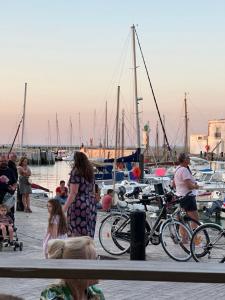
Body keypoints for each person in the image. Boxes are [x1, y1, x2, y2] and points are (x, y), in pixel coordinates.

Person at [40, 236, 105, 300]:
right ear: (77, 271)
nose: (98, 264)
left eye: (97, 259)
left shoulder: (96, 293)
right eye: (94, 260)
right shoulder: (52, 294)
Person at [63, 151, 97, 238]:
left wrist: (64, 209)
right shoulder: (90, 172)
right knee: (88, 231)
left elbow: (73, 193)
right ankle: (87, 250)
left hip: (78, 205)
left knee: (75, 232)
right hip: (90, 204)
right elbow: (93, 191)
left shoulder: (76, 172)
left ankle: (77, 251)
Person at [173, 153, 199, 227]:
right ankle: (195, 238)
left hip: (180, 197)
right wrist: (196, 186)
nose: (189, 159)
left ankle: (184, 238)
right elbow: (189, 186)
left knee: (182, 221)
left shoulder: (177, 169)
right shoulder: (184, 170)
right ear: (184, 160)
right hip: (188, 197)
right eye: (188, 157)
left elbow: (173, 185)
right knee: (195, 220)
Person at [0, 154, 17, 218]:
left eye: (5, 161)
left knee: (10, 212)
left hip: (8, 195)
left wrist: (13, 187)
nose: (4, 162)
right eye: (1, 161)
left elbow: (14, 182)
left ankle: (12, 225)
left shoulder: (10, 171)